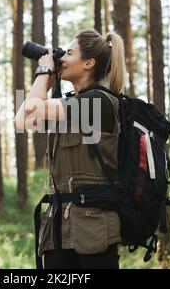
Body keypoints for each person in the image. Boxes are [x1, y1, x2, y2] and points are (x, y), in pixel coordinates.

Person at [14, 29, 128, 269]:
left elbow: (32, 111)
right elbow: (22, 121)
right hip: (60, 229)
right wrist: (47, 75)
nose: (62, 58)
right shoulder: (69, 105)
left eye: (68, 52)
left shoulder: (98, 102)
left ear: (88, 63)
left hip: (93, 229)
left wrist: (45, 70)